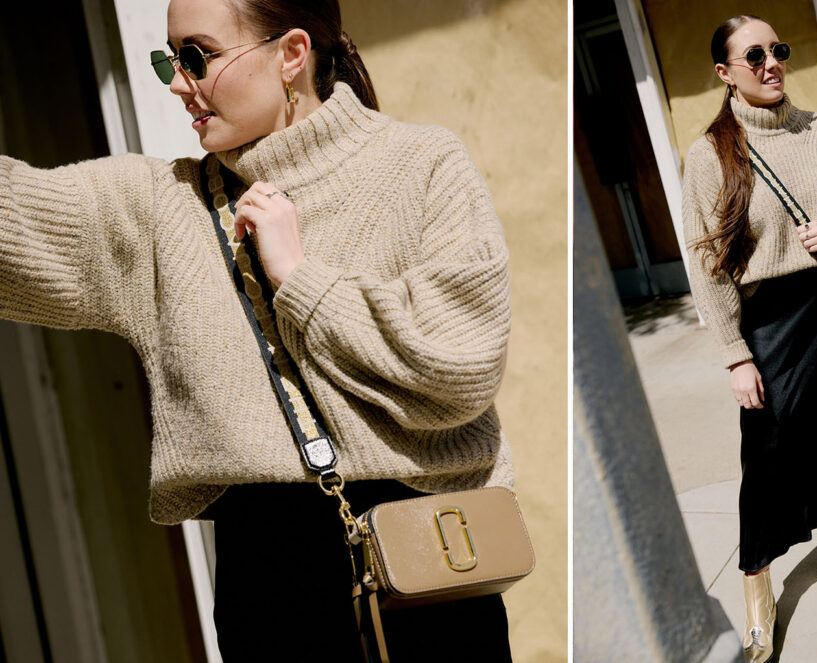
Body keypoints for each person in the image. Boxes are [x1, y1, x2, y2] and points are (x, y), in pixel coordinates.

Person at [0, 0, 515, 659]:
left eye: (197, 57)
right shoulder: (162, 209)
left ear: (291, 54)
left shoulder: (423, 166)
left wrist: (301, 279)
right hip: (267, 589)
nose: (178, 82)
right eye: (168, 59)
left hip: (431, 567)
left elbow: (459, 366)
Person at [681, 14, 817, 663]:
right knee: (768, 461)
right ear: (726, 73)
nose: (771, 62)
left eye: (779, 49)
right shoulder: (711, 154)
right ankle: (758, 594)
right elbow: (707, 262)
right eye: (755, 55)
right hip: (767, 321)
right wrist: (735, 354)